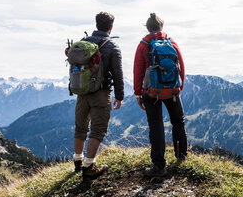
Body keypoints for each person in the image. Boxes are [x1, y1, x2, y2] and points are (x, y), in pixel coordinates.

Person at [133, 13, 187, 177]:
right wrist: (178, 87)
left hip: (151, 92)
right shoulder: (172, 43)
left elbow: (138, 71)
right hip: (172, 90)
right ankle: (181, 157)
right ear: (161, 27)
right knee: (178, 121)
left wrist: (138, 94)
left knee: (156, 126)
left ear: (147, 28)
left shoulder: (143, 45)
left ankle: (158, 165)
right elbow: (181, 67)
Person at [73, 12, 124, 181]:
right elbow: (117, 74)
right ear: (111, 27)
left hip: (82, 92)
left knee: (80, 127)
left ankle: (78, 161)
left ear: (96, 25)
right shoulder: (112, 46)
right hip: (101, 93)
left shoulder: (84, 43)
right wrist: (119, 95)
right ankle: (89, 167)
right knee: (97, 130)